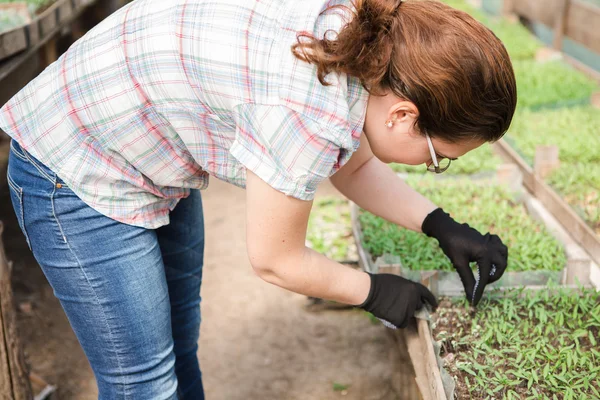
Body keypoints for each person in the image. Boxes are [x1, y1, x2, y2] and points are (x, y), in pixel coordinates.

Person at [0, 0, 514, 397]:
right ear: (403, 116)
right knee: (144, 384)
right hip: (74, 162)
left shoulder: (367, 45)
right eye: (436, 157)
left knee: (179, 351)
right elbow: (275, 260)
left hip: (144, 149)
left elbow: (354, 164)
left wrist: (441, 225)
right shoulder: (305, 108)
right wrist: (374, 292)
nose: (432, 167)